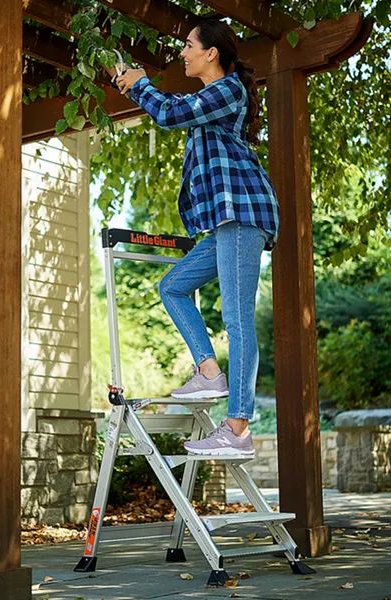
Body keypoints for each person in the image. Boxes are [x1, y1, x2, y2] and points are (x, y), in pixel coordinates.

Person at [115, 18, 279, 457]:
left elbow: (169, 113)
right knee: (173, 285)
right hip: (225, 222)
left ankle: (239, 430)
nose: (182, 52)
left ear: (212, 53)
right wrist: (139, 86)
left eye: (188, 45)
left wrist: (140, 85)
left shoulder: (227, 90)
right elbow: (181, 117)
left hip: (243, 215)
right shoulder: (209, 100)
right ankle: (209, 372)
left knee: (238, 319)